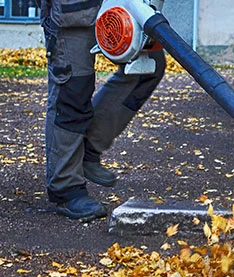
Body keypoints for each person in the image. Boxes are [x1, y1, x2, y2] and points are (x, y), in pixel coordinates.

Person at [41, 0, 165, 220]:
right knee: (72, 90)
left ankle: (88, 146)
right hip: (72, 12)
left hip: (124, 4)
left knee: (149, 66)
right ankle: (66, 187)